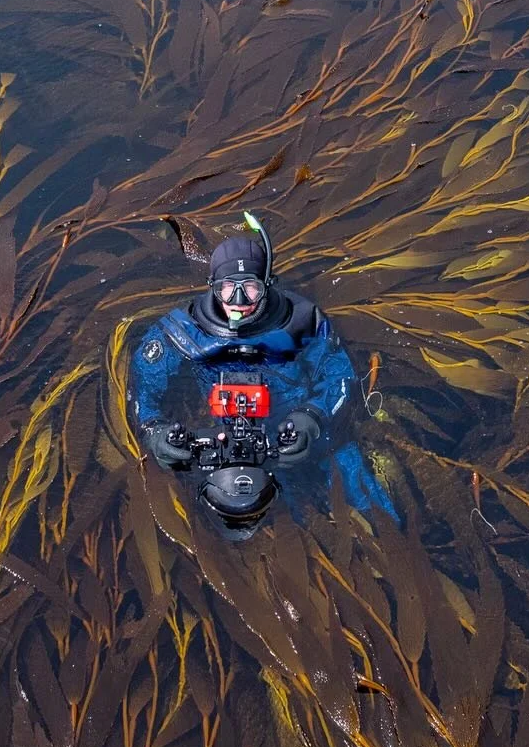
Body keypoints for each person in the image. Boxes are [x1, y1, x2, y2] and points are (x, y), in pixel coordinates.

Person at [127, 214, 397, 534]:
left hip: (304, 434)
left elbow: (339, 375)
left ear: (267, 285)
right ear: (213, 287)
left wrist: (312, 417)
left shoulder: (302, 322)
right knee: (259, 529)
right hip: (225, 443)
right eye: (229, 289)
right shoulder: (182, 330)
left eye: (250, 288)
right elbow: (143, 381)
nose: (239, 302)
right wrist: (153, 428)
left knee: (377, 510)